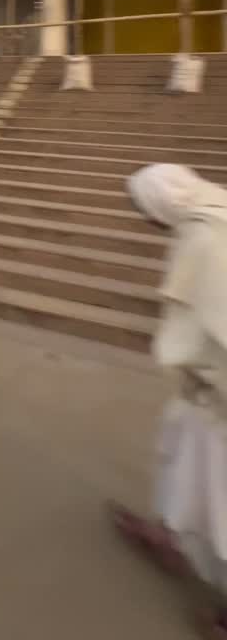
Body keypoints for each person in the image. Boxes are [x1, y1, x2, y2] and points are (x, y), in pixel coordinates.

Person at [110, 163, 227, 638]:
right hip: (203, 391)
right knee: (179, 451)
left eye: (144, 212)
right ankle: (171, 534)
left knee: (220, 492)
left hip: (220, 390)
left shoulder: (206, 240)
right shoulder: (216, 208)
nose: (146, 223)